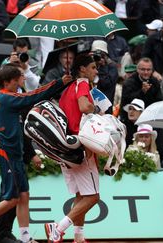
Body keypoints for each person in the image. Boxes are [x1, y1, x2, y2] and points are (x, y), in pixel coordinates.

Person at [0, 63, 72, 243]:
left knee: (23, 196)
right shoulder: (7, 97)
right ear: (8, 82)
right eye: (18, 78)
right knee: (12, 199)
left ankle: (25, 237)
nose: (22, 79)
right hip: (8, 154)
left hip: (16, 154)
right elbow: (33, 96)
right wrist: (60, 82)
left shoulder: (5, 97)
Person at [45, 53, 99, 243]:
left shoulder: (67, 88)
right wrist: (96, 108)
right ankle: (58, 229)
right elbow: (84, 107)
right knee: (93, 197)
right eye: (93, 67)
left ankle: (79, 237)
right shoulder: (82, 83)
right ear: (82, 69)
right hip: (82, 147)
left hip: (66, 147)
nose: (96, 71)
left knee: (81, 195)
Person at [120, 57, 162, 122]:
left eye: (148, 70)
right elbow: (127, 101)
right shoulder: (129, 82)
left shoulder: (155, 82)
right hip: (131, 120)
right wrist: (142, 92)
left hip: (149, 118)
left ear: (152, 70)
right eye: (143, 69)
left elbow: (158, 101)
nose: (146, 72)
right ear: (137, 70)